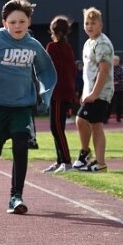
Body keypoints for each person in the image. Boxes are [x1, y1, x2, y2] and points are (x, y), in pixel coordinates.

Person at [0, 0, 56, 214]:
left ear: (29, 22)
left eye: (22, 21)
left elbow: (46, 71)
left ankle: (15, 196)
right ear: (4, 23)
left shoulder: (33, 45)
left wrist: (44, 96)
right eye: (12, 22)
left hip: (21, 106)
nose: (17, 26)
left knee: (21, 142)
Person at [73, 7, 114, 173]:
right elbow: (88, 73)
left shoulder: (102, 43)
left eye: (93, 23)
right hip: (91, 92)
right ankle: (97, 161)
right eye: (86, 23)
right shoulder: (88, 43)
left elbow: (103, 70)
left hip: (101, 93)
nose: (89, 26)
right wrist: (85, 93)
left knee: (81, 120)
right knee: (94, 124)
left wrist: (95, 93)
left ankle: (88, 156)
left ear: (101, 25)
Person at [42, 16, 76, 174]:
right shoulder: (68, 48)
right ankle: (60, 160)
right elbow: (72, 72)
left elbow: (48, 69)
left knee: (56, 127)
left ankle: (66, 161)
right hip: (66, 91)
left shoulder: (52, 47)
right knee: (58, 127)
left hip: (57, 93)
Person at [111, 54, 123, 123]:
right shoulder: (109, 69)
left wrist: (113, 83)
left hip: (119, 89)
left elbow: (121, 80)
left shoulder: (121, 70)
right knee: (109, 104)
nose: (115, 61)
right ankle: (105, 118)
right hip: (110, 90)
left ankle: (118, 118)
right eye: (114, 60)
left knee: (119, 104)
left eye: (117, 60)